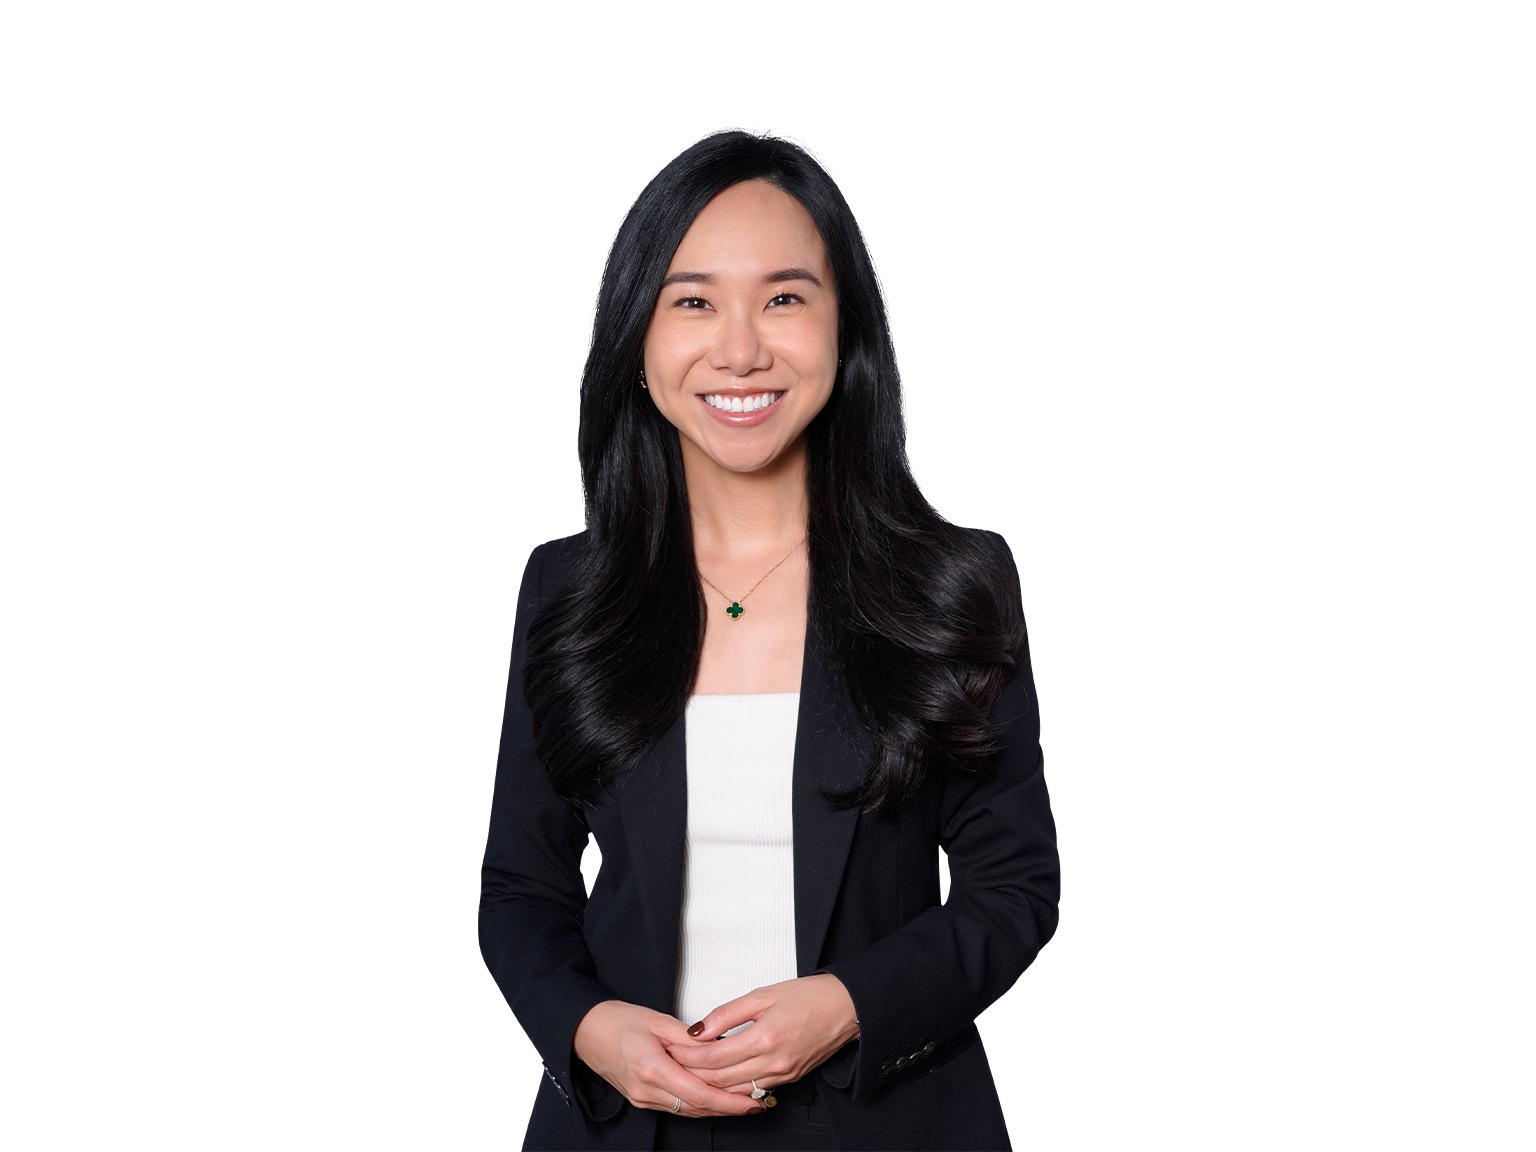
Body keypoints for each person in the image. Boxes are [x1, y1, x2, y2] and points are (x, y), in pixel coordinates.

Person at [479, 130, 1059, 1152]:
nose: (740, 350)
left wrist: (847, 1004)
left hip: (887, 1124)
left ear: (846, 326)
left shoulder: (952, 582)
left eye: (784, 297)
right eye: (693, 302)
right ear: (637, 339)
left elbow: (1013, 888)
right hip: (628, 1126)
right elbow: (521, 888)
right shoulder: (568, 587)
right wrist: (591, 1029)